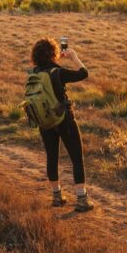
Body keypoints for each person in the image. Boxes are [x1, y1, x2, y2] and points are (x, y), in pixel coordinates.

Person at [30, 37, 94, 211]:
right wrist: (73, 57)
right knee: (76, 158)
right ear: (54, 54)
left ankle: (56, 196)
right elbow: (83, 73)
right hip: (65, 120)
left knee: (52, 157)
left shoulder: (34, 73)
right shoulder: (57, 72)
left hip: (45, 122)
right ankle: (81, 199)